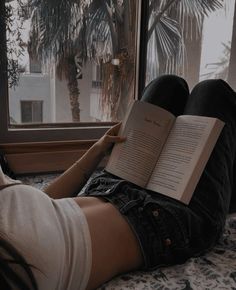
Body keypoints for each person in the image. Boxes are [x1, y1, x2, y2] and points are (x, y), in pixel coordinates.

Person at [0, 74, 236, 290]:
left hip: (110, 185)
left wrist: (96, 151)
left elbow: (38, 206)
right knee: (213, 92)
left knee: (167, 86)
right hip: (164, 220)